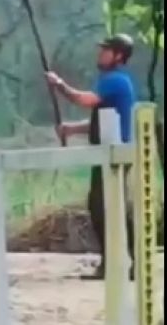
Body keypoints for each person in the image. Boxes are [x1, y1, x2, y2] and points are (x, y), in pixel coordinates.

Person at [45, 33, 137, 280]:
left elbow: (86, 100)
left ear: (118, 55)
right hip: (108, 154)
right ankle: (121, 261)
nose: (100, 54)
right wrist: (72, 129)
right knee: (107, 208)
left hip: (114, 155)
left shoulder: (114, 80)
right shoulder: (113, 81)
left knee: (104, 208)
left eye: (106, 50)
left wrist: (59, 84)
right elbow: (100, 119)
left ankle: (121, 262)